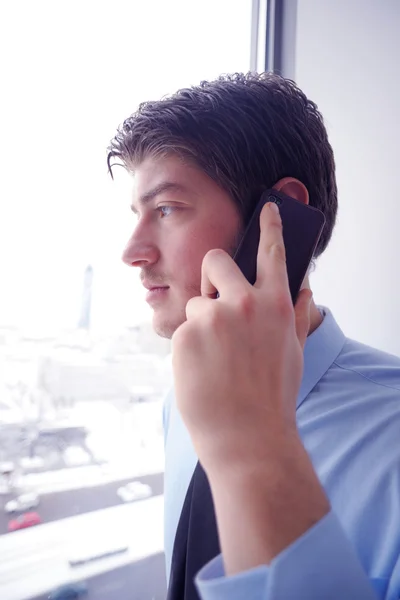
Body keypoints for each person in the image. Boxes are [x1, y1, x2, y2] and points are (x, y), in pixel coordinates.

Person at [107, 72, 400, 600]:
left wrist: (253, 448)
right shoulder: (184, 404)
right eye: (137, 214)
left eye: (167, 208)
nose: (132, 251)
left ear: (278, 220)